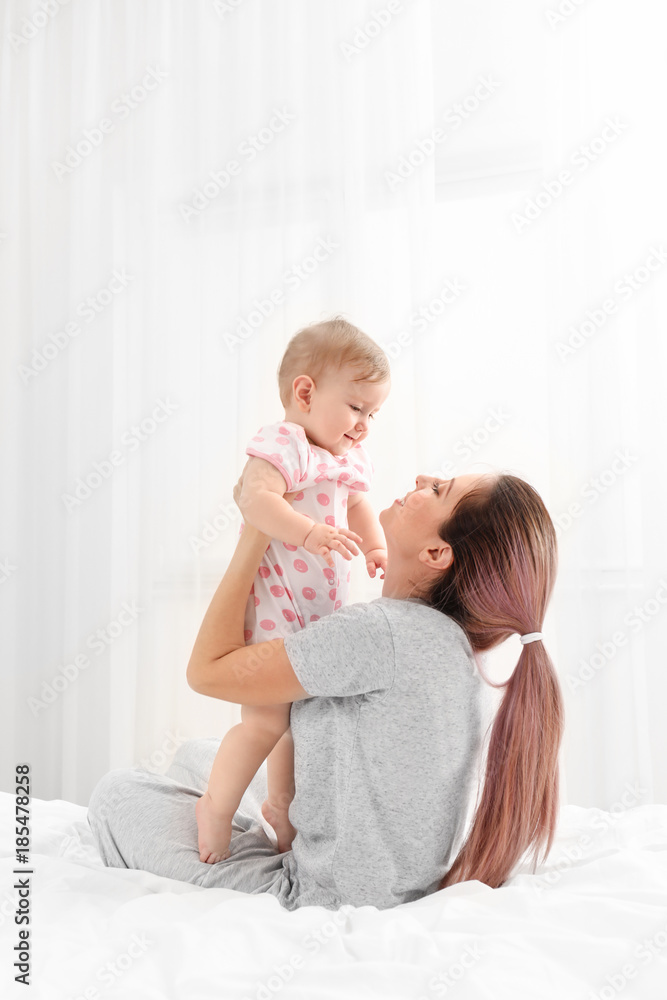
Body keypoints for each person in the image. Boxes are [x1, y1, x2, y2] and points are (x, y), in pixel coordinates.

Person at [87, 469, 565, 912]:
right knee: (197, 755)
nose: (425, 478)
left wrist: (258, 529)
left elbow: (207, 671)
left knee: (115, 794)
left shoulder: (380, 633)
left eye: (440, 490)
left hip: (319, 896)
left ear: (437, 554)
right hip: (393, 878)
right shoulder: (453, 642)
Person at [195, 318, 391, 864]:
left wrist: (376, 547)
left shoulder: (346, 457)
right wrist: (308, 533)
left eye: (373, 414)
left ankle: (282, 808)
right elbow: (257, 500)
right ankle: (215, 807)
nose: (365, 425)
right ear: (305, 394)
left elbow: (358, 504)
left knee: (298, 722)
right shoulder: (284, 445)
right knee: (264, 721)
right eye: (357, 408)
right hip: (274, 609)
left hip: (319, 616)